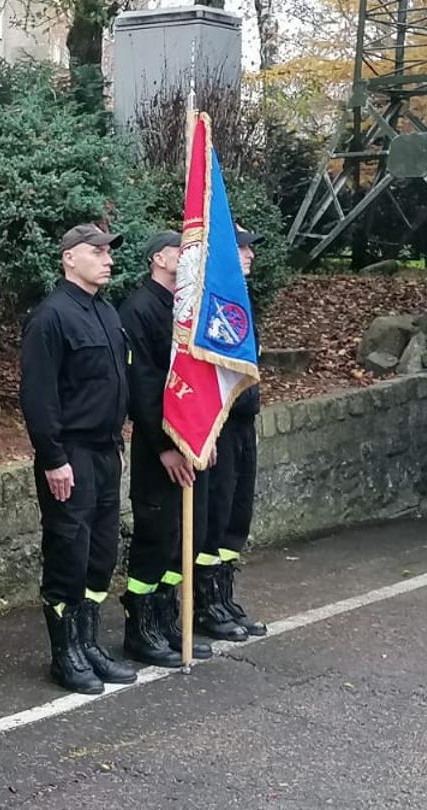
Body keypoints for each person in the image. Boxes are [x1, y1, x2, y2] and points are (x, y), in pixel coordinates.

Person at [19, 223, 142, 693]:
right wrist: (52, 457)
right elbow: (38, 396)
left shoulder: (107, 312)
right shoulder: (51, 317)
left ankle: (88, 641)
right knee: (68, 552)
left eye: (110, 251)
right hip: (71, 453)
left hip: (106, 450)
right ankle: (64, 652)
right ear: (70, 258)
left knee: (100, 553)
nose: (108, 259)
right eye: (98, 252)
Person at [116, 230, 220, 668]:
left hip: (189, 441)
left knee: (183, 536)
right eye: (179, 249)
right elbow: (142, 386)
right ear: (157, 257)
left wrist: (203, 435)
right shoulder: (139, 309)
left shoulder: (185, 309)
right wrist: (164, 446)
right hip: (159, 445)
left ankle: (168, 622)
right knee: (156, 535)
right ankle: (141, 629)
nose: (186, 256)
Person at [200, 226, 268, 638]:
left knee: (237, 516)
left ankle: (223, 596)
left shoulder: (243, 300)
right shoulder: (214, 303)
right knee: (216, 512)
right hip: (220, 425)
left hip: (244, 423)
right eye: (242, 248)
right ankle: (205, 603)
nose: (250, 255)